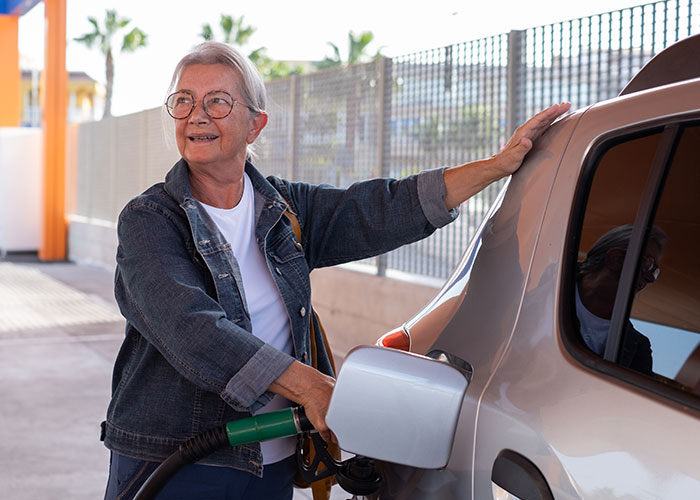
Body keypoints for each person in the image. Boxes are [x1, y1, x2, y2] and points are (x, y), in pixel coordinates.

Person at [101, 41, 570, 500]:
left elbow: (376, 209)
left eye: (217, 101)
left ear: (255, 125)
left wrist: (496, 167)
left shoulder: (282, 210)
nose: (197, 115)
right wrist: (313, 386)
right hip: (179, 462)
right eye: (184, 101)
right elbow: (193, 329)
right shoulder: (151, 220)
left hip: (272, 458)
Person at [576, 224, 667, 375]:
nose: (651, 278)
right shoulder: (548, 286)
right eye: (648, 264)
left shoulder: (638, 348)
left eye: (654, 271)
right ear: (616, 259)